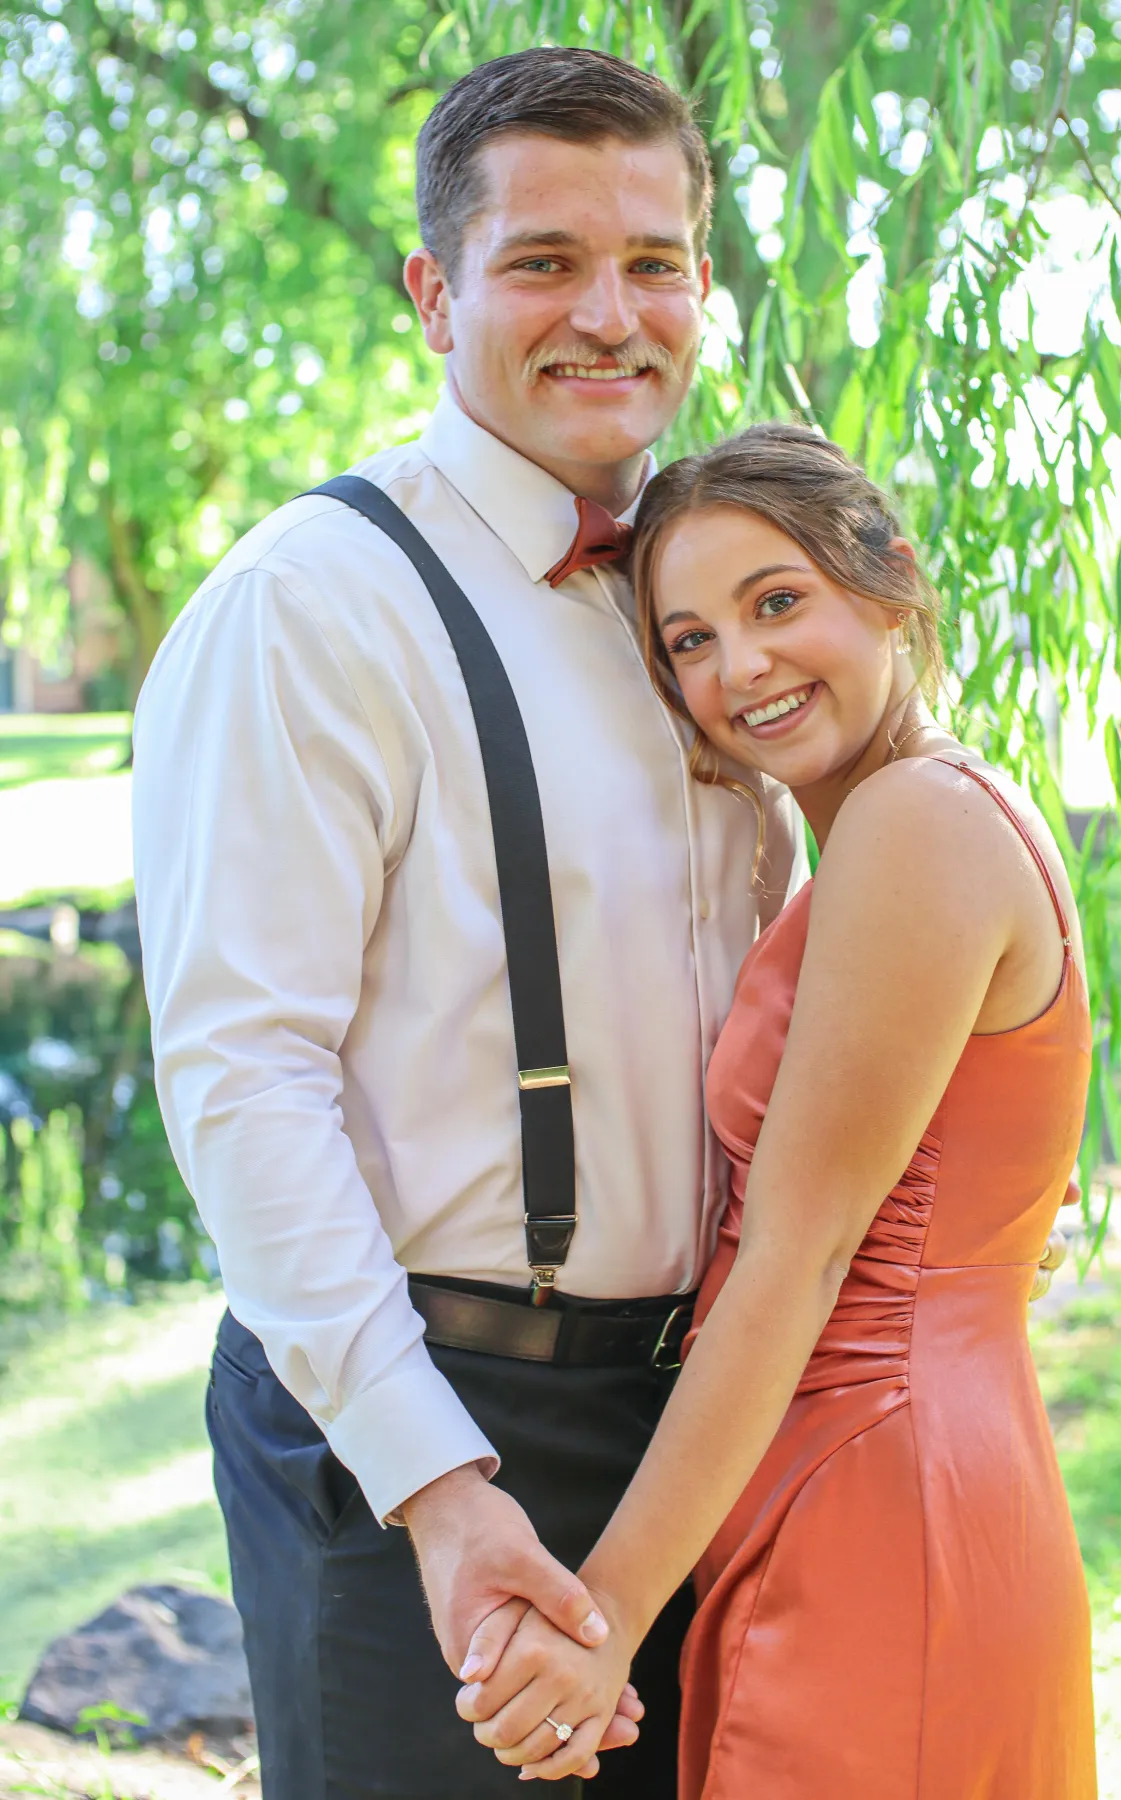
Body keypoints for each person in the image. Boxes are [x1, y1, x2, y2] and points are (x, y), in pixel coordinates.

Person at [131, 45, 797, 1800]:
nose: (611, 312)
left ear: (704, 290)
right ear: (436, 292)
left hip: (695, 1438)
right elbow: (241, 1082)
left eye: (655, 262)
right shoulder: (307, 605)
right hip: (413, 1435)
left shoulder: (718, 598)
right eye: (544, 260)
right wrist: (438, 1488)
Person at [455, 424, 1097, 1798]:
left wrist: (606, 1619)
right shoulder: (902, 823)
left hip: (882, 1497)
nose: (739, 667)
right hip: (859, 1473)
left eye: (778, 601)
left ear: (890, 583)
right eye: (688, 639)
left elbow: (801, 1262)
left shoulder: (916, 824)